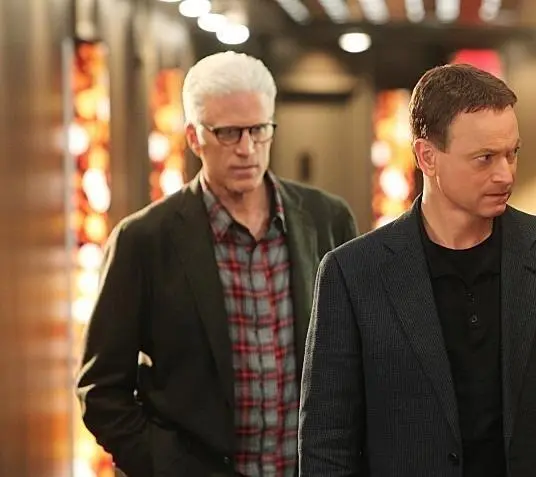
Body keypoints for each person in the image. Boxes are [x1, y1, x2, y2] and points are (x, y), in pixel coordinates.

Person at [76, 51, 357, 477]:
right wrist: (164, 465)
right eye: (228, 133)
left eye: (258, 130)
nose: (247, 149)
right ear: (194, 137)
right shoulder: (144, 240)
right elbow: (101, 389)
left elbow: (358, 358)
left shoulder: (327, 219)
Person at [299, 63, 536, 477]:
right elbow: (328, 441)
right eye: (484, 158)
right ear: (427, 156)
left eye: (511, 153)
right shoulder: (353, 273)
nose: (505, 174)